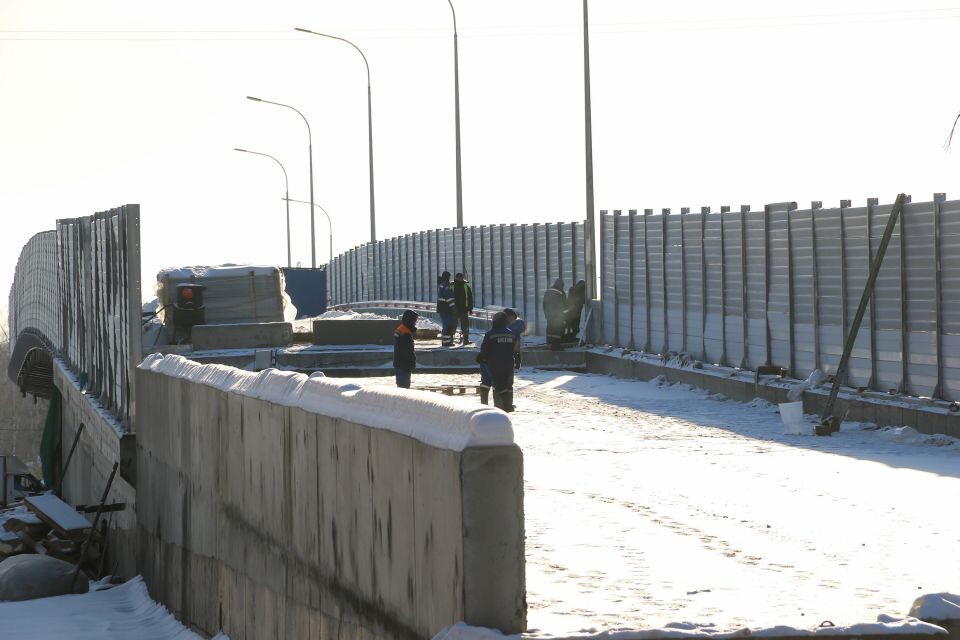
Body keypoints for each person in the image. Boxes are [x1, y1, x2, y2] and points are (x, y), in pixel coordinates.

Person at [477, 312, 519, 412]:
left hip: (494, 363)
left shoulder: (491, 333)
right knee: (508, 384)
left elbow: (484, 348)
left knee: (493, 383)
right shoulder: (511, 333)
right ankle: (508, 405)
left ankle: (488, 405)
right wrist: (517, 361)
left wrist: (481, 358)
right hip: (509, 363)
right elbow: (516, 349)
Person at [393, 309, 418, 388]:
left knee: (401, 387)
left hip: (399, 364)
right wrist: (411, 363)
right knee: (404, 388)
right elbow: (408, 351)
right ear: (410, 320)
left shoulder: (401, 329)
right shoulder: (406, 333)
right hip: (404, 366)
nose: (415, 323)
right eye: (414, 321)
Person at [542, 278, 566, 350]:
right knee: (557, 330)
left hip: (549, 315)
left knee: (550, 329)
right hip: (557, 315)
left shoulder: (548, 291)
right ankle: (556, 346)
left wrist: (546, 314)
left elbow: (544, 304)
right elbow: (564, 305)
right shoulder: (561, 292)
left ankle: (551, 344)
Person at [452, 272, 474, 345]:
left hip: (463, 310)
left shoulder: (466, 286)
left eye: (461, 277)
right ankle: (451, 340)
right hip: (455, 310)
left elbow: (470, 298)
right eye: (459, 277)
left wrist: (470, 308)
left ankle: (465, 340)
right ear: (456, 278)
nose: (460, 279)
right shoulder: (452, 285)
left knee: (465, 326)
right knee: (453, 326)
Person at [436, 271, 456, 347]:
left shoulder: (441, 285)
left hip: (442, 308)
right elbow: (449, 297)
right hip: (446, 308)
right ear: (447, 277)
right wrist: (453, 306)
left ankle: (446, 342)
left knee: (446, 325)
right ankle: (446, 342)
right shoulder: (446, 285)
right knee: (447, 325)